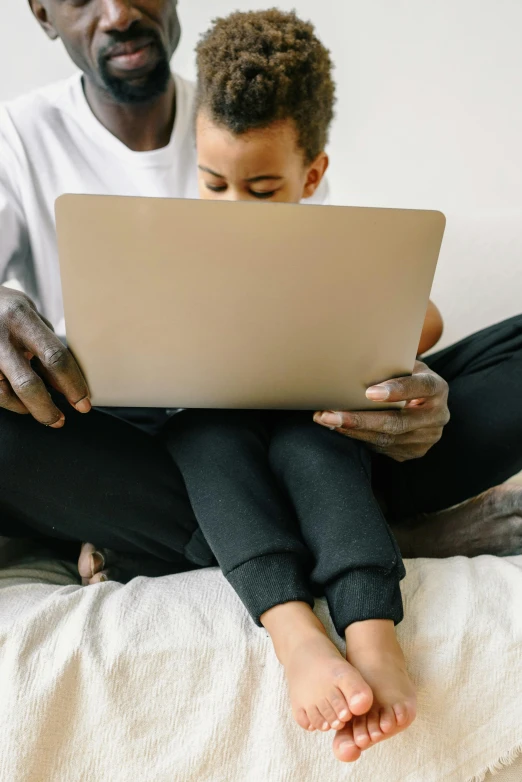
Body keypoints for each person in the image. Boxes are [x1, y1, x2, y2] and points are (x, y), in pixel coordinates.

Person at [0, 0, 520, 764]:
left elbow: (384, 315)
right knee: (208, 430)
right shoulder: (17, 138)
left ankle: (326, 549)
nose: (116, 11)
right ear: (42, 12)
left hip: (312, 436)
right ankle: (366, 546)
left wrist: (413, 388)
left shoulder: (248, 107)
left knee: (308, 432)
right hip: (142, 455)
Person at [162, 8, 421, 753]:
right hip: (210, 424)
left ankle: (372, 631)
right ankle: (294, 631)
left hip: (311, 421)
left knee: (320, 438)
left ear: (311, 176)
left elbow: (422, 318)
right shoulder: (173, 241)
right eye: (214, 184)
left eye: (264, 189)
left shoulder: (335, 237)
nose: (233, 209)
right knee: (200, 433)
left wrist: (360, 338)